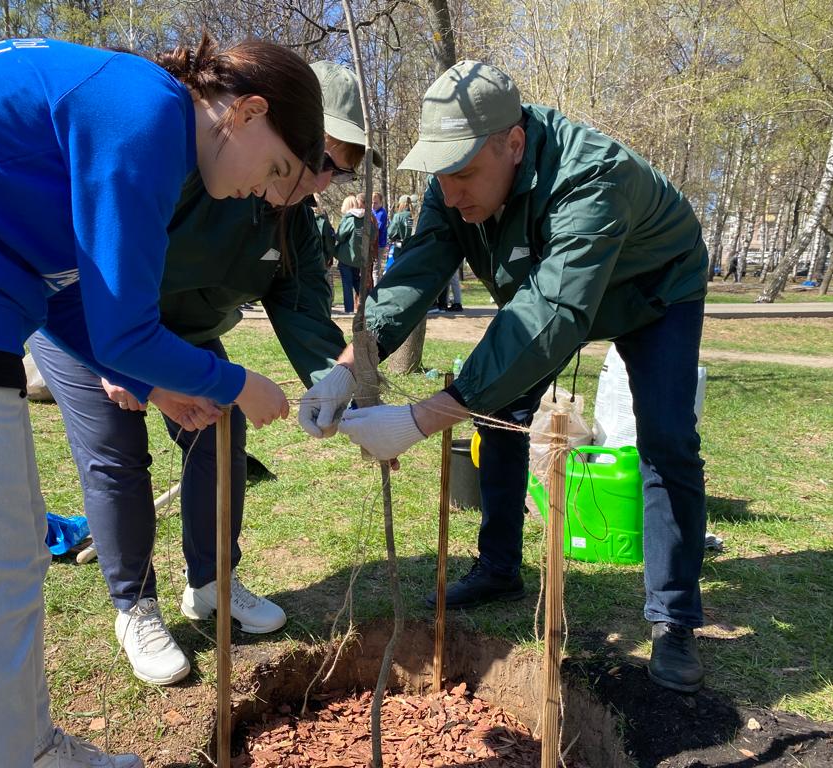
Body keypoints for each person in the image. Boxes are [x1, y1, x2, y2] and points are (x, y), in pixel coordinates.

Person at [0, 34, 325, 768]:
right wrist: (237, 384)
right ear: (249, 112)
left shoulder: (140, 110)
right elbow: (128, 326)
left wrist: (153, 385)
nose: (267, 192)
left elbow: (69, 295)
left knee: (8, 563)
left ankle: (27, 745)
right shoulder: (145, 119)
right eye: (278, 169)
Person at [300, 61, 709, 696]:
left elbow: (553, 313)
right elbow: (414, 275)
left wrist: (419, 418)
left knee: (666, 440)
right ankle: (497, 567)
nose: (452, 191)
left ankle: (673, 618)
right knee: (501, 413)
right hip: (544, 300)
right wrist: (350, 368)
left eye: (464, 172)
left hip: (653, 292)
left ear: (512, 143)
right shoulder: (452, 188)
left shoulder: (592, 177)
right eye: (441, 173)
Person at [27, 59, 369, 687]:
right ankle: (135, 605)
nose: (316, 182)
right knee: (116, 453)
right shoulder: (197, 166)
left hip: (181, 335)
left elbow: (302, 312)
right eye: (315, 159)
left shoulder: (295, 222)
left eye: (337, 170)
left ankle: (213, 582)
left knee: (221, 434)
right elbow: (106, 253)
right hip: (91, 317)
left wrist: (338, 385)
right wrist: (122, 363)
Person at [335, 194, 368, 313]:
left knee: (347, 284)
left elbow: (340, 236)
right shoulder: (366, 218)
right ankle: (366, 307)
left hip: (346, 257)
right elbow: (372, 235)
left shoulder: (349, 219)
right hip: (360, 258)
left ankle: (349, 310)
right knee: (358, 283)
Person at [372, 191, 390, 278]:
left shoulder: (382, 213)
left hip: (379, 244)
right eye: (372, 202)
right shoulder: (371, 211)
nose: (373, 205)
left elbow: (377, 229)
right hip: (371, 244)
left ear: (380, 203)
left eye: (375, 203)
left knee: (376, 269)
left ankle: (376, 289)